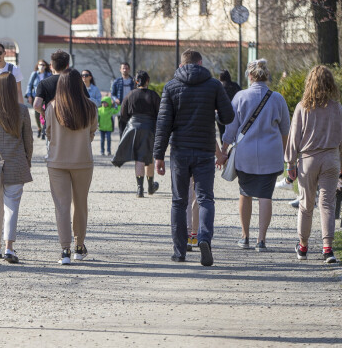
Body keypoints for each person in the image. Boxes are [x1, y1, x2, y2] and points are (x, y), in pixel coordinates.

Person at [153, 49, 234, 265]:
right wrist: (213, 108)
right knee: (206, 197)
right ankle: (204, 238)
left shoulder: (171, 86)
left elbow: (163, 124)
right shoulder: (214, 85)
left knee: (179, 201)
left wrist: (158, 155)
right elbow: (228, 117)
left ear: (181, 65)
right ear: (200, 63)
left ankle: (179, 251)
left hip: (179, 151)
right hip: (205, 151)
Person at [218, 59, 291, 252]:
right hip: (270, 154)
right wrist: (284, 153)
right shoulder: (278, 99)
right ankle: (262, 240)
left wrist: (223, 151)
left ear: (250, 76)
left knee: (245, 193)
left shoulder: (240, 97)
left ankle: (245, 237)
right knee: (265, 196)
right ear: (267, 75)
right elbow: (285, 130)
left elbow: (230, 129)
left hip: (245, 155)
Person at [285, 65, 342, 264]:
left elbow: (294, 138)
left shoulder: (302, 107)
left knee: (306, 204)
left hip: (308, 159)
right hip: (331, 158)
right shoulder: (337, 107)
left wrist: (290, 163)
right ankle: (327, 248)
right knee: (328, 204)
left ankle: (303, 246)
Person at [45, 69, 98, 265]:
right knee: (80, 204)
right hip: (83, 160)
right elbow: (92, 132)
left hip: (57, 161)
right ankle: (79, 246)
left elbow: (48, 133)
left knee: (62, 205)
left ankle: (65, 249)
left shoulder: (52, 106)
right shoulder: (90, 107)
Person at [0, 72, 33, 264]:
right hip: (16, 161)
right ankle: (9, 247)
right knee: (12, 207)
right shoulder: (22, 110)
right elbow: (28, 140)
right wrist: (28, 160)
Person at [112, 71, 162, 198]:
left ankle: (140, 188)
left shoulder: (130, 94)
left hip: (133, 127)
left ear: (136, 81)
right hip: (149, 127)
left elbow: (123, 114)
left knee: (139, 158)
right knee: (149, 156)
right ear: (147, 81)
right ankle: (150, 186)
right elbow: (161, 113)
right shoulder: (153, 95)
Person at [34, 50, 87, 135]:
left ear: (51, 66)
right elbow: (87, 100)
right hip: (74, 123)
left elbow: (36, 105)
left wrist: (43, 112)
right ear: (67, 66)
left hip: (52, 125)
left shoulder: (43, 83)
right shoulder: (77, 81)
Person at [26, 59, 52, 138]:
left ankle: (44, 129)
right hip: (36, 96)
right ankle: (39, 128)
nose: (42, 66)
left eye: (43, 65)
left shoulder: (48, 74)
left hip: (46, 97)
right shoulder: (34, 74)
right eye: (40, 65)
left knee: (45, 113)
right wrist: (29, 95)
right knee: (37, 114)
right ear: (37, 65)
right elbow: (29, 85)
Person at [110, 62, 136, 136]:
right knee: (121, 129)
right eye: (123, 68)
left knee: (131, 128)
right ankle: (122, 145)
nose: (125, 70)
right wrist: (115, 99)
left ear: (129, 69)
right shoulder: (116, 82)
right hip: (120, 108)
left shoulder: (133, 81)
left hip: (131, 108)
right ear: (120, 70)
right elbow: (112, 94)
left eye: (126, 68)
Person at [217, 70, 241, 142]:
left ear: (220, 77)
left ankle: (224, 149)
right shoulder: (235, 86)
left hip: (221, 113)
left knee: (222, 132)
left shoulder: (219, 87)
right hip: (235, 112)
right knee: (235, 131)